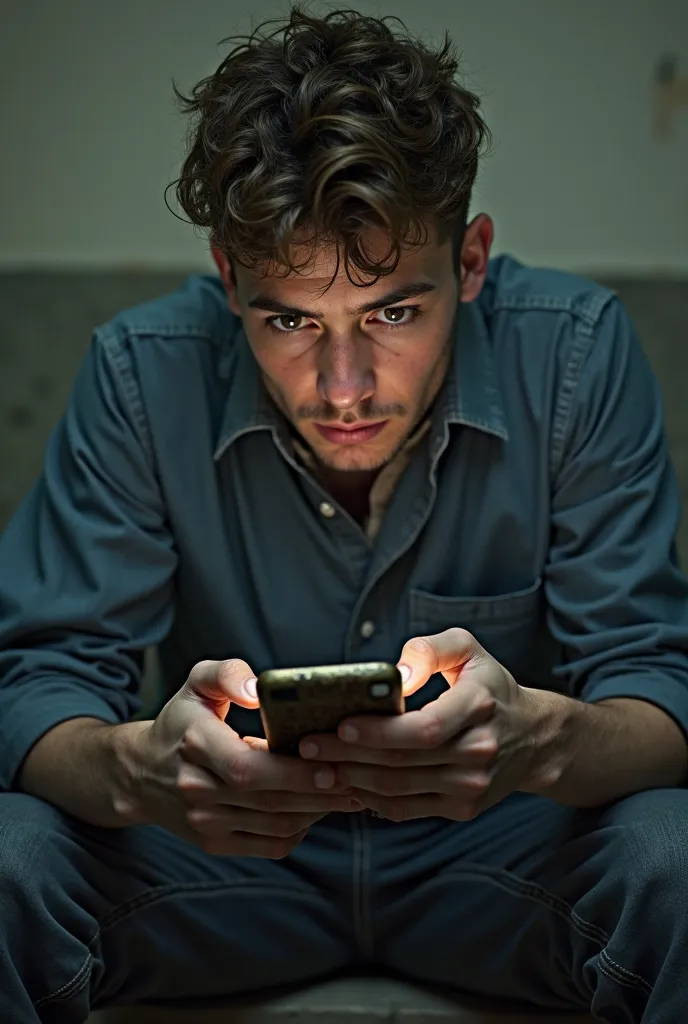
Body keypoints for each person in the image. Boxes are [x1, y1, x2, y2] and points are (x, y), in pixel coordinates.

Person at [1, 6, 687, 1023]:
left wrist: (531, 741)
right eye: (288, 320)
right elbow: (37, 686)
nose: (343, 385)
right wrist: (143, 771)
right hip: (220, 863)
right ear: (229, 281)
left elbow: (659, 690)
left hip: (500, 843)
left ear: (470, 262)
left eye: (392, 313)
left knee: (671, 853)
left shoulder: (576, 357)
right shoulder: (143, 376)